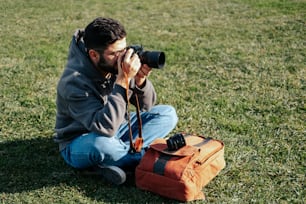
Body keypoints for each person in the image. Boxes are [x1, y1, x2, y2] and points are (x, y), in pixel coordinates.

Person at [54, 17, 178, 185]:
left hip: (119, 125)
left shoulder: (113, 64)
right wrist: (122, 81)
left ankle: (116, 161)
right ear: (94, 55)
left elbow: (147, 106)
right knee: (102, 146)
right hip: (84, 139)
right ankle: (145, 157)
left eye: (124, 49)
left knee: (167, 114)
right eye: (114, 53)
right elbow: (105, 128)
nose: (122, 57)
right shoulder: (73, 82)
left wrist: (140, 81)